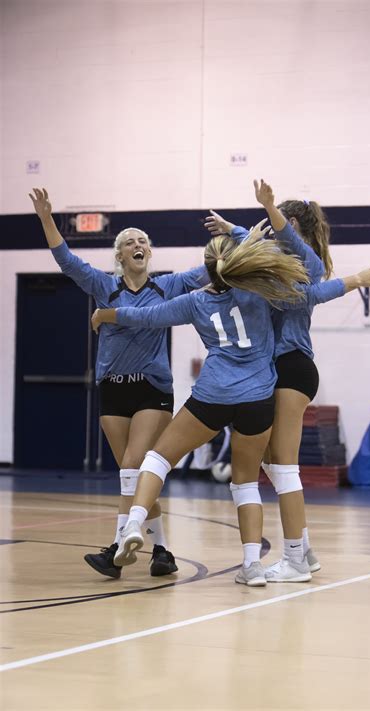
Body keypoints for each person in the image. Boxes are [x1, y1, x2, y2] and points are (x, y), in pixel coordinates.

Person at [91, 224, 315, 586]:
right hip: (258, 397)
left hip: (213, 395)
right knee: (245, 485)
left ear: (205, 270)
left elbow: (145, 316)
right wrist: (351, 282)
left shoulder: (194, 300)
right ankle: (252, 567)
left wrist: (106, 315)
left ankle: (133, 522)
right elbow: (311, 288)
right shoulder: (257, 291)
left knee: (157, 459)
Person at [204, 180, 370, 582]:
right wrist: (231, 227)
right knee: (274, 462)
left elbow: (283, 238)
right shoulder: (282, 261)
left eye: (276, 225)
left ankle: (293, 561)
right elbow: (263, 241)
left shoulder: (308, 262)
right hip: (282, 369)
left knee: (284, 467)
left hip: (292, 367)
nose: (269, 233)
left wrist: (268, 206)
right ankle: (304, 549)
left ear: (288, 224)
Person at [29, 187, 209, 579]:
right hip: (113, 386)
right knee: (134, 476)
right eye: (129, 242)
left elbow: (211, 270)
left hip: (152, 388)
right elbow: (67, 262)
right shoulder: (103, 286)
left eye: (142, 240)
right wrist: (46, 218)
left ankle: (116, 550)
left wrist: (246, 239)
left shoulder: (169, 285)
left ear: (150, 252)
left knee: (133, 465)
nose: (137, 244)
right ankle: (162, 551)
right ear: (120, 255)